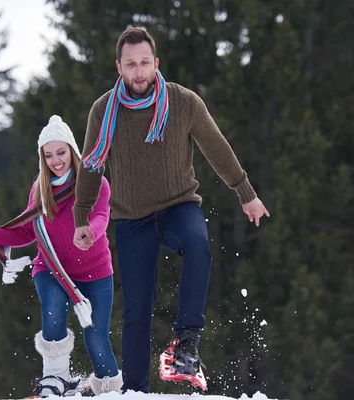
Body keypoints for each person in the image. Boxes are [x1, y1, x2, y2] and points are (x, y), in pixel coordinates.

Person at [72, 27, 270, 394]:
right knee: (136, 312)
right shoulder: (104, 111)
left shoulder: (183, 103)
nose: (139, 72)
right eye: (130, 64)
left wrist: (245, 192)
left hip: (178, 206)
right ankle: (135, 391)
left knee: (198, 243)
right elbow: (91, 165)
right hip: (131, 219)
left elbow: (217, 148)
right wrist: (81, 217)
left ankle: (187, 344)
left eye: (145, 62)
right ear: (119, 67)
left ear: (156, 62)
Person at [0, 115, 123, 397]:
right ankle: (54, 379)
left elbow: (101, 214)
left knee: (97, 338)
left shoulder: (94, 181)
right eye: (48, 155)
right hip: (51, 268)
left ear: (72, 152)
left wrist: (90, 231)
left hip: (95, 271)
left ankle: (110, 391)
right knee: (53, 313)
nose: (55, 160)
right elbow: (27, 232)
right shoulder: (41, 190)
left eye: (60, 152)